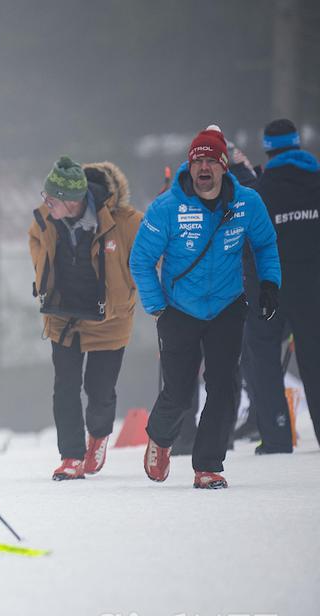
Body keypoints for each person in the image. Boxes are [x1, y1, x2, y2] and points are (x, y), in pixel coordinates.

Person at [129, 125, 282, 489]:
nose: (204, 167)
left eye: (212, 161)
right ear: (190, 167)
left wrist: (270, 284)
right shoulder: (167, 206)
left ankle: (208, 465)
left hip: (227, 306)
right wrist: (157, 307)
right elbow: (140, 260)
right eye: (198, 160)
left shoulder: (247, 202)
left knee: (224, 387)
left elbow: (265, 244)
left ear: (224, 167)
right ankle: (161, 438)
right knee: (179, 391)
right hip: (178, 309)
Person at [28, 157, 142, 481]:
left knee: (99, 389)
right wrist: (43, 279)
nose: (45, 205)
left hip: (109, 318)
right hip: (63, 316)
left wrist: (134, 284)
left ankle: (99, 433)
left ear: (73, 201)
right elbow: (35, 241)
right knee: (65, 387)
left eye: (51, 200)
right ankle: (71, 457)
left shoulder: (125, 221)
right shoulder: (45, 221)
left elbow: (152, 251)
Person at [241, 118, 320, 451]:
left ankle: (275, 436)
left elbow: (247, 242)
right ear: (298, 143)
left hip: (269, 288)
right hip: (313, 289)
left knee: (263, 359)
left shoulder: (261, 190)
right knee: (315, 360)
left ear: (268, 148)